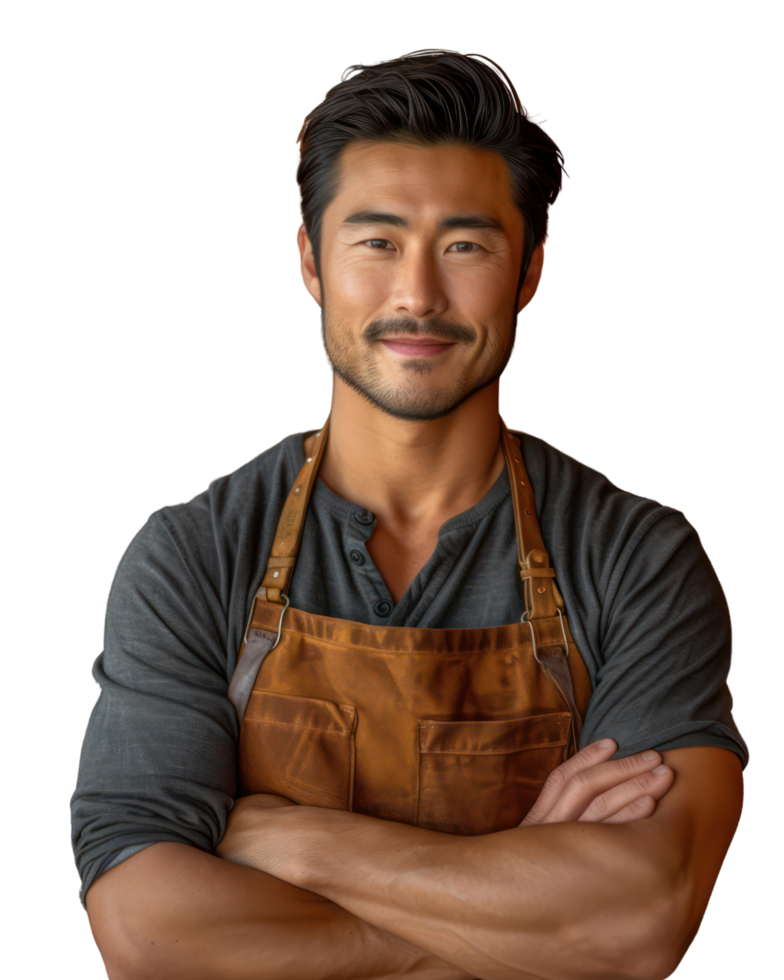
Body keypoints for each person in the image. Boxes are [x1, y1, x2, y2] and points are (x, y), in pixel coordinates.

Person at [71, 48, 748, 980]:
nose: (418, 295)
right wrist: (531, 914)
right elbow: (145, 934)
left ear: (533, 267)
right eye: (377, 240)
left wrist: (295, 844)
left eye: (466, 245)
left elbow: (642, 921)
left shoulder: (638, 558)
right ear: (309, 259)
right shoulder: (191, 553)